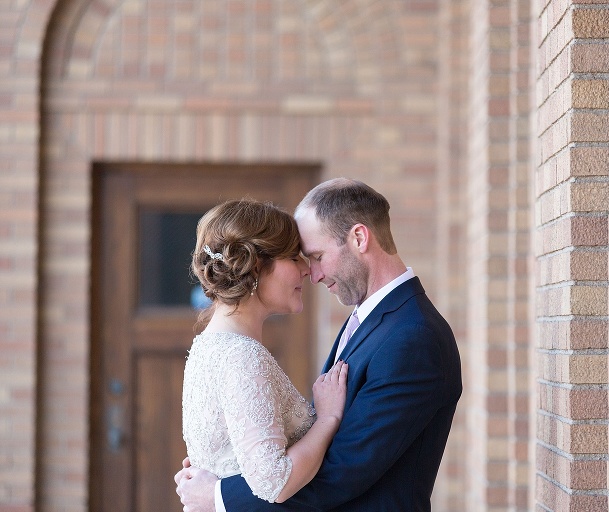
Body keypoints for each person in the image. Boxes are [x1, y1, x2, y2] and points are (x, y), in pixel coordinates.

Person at [175, 178, 463, 511]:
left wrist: (219, 496)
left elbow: (340, 472)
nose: (311, 274)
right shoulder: (365, 320)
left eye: (316, 256)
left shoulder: (414, 337)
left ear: (358, 238)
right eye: (300, 259)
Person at [182, 199, 349, 505]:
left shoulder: (208, 346)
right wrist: (328, 419)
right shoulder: (240, 356)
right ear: (256, 265)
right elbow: (275, 482)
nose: (306, 270)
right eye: (293, 257)